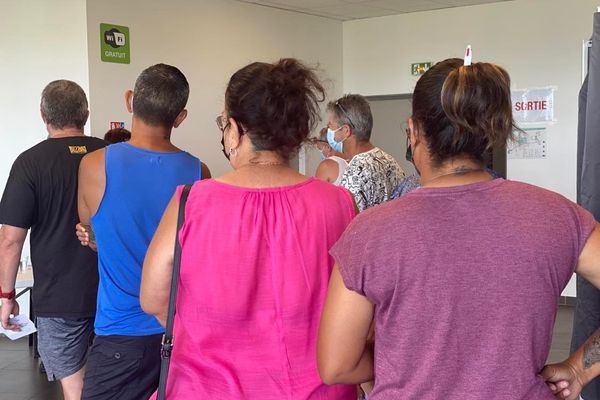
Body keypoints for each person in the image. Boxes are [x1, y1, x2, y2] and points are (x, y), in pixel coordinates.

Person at [317, 58, 600, 399]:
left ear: (413, 132)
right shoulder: (558, 215)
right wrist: (577, 369)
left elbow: (337, 365)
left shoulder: (371, 231)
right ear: (494, 133)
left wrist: (404, 365)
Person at [140, 58, 356, 399]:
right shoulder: (339, 204)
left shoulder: (190, 201)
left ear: (236, 130)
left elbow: (153, 299)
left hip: (206, 388)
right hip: (316, 390)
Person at [76, 63, 210, 400]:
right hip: (180, 331)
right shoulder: (199, 172)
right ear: (180, 117)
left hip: (121, 335)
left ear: (130, 100)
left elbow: (89, 226)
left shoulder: (94, 165)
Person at [0, 80, 105, 400]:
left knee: (75, 388)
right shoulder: (112, 155)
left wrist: (6, 294)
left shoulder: (30, 162)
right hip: (116, 294)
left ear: (43, 115)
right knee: (116, 382)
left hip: (60, 300)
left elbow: (10, 239)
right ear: (85, 114)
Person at [327, 94, 404, 211]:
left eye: (330, 126)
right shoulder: (390, 161)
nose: (329, 132)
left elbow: (350, 222)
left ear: (346, 131)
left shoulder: (356, 172)